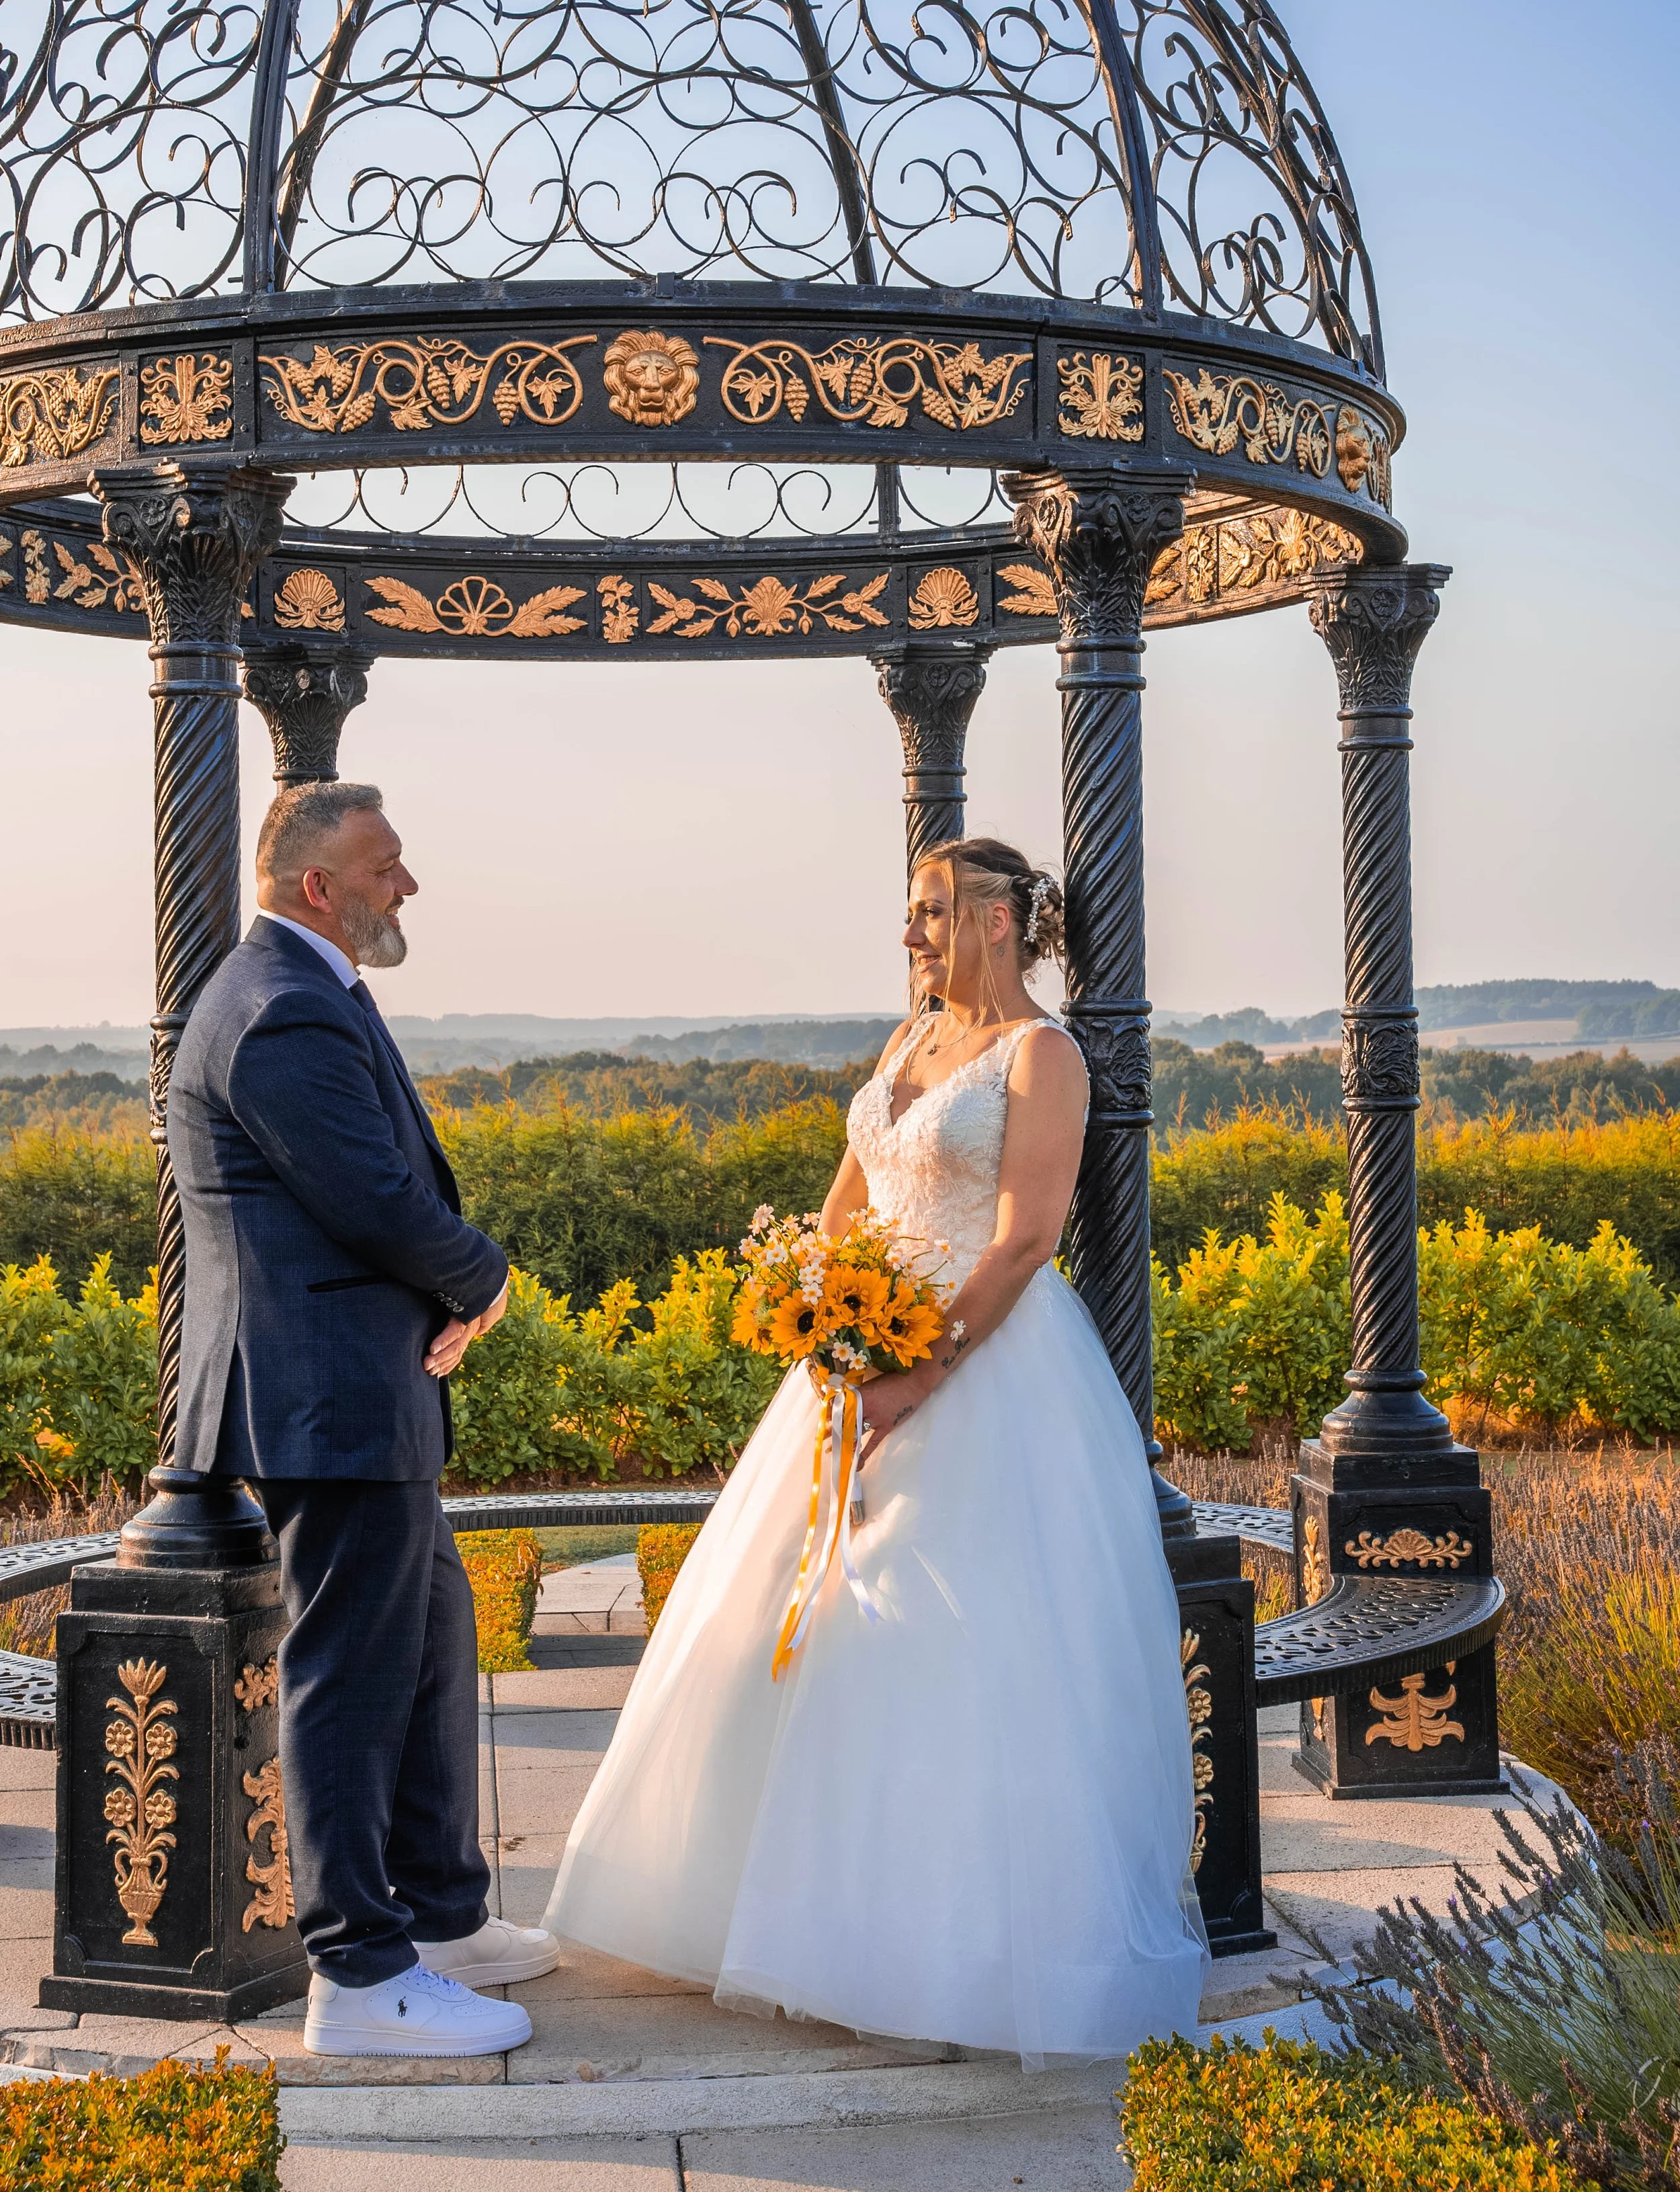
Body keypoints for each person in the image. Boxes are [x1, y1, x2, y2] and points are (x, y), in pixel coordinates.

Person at [544, 836, 1208, 2068]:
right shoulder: (909, 1042)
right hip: (856, 1364)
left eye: (933, 909)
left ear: (1001, 921)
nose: (911, 932)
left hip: (987, 1366)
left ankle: (947, 1947)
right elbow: (848, 1206)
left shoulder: (1042, 1055)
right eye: (911, 910)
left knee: (948, 1637)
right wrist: (826, 1312)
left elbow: (1022, 1240)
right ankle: (790, 1916)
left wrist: (920, 1368)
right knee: (800, 1626)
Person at [169, 781, 560, 2058]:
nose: (409, 883)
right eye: (385, 865)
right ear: (315, 884)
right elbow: (376, 1198)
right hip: (324, 1391)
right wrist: (484, 1278)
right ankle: (364, 1976)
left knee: (436, 1629)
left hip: (351, 1380)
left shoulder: (303, 982)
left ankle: (442, 1913)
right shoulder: (280, 1006)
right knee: (347, 1675)